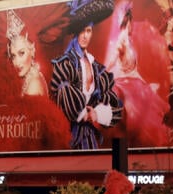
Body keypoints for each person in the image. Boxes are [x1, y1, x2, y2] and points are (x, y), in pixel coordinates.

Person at [50, 1, 123, 149]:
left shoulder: (97, 68)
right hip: (67, 139)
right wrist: (83, 114)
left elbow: (116, 108)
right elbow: (62, 103)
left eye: (88, 31)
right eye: (82, 31)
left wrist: (95, 114)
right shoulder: (64, 64)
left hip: (90, 139)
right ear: (76, 33)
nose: (85, 36)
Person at [7, 9, 48, 97]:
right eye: (13, 56)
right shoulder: (33, 75)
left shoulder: (34, 85)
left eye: (21, 53)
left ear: (32, 51)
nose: (17, 63)